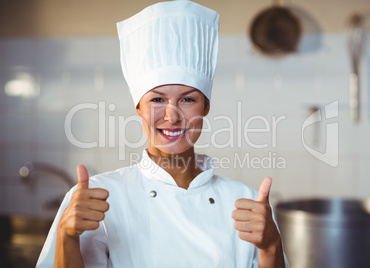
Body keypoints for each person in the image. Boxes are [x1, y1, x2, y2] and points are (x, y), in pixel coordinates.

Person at [37, 1, 289, 267]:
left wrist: (272, 248)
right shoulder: (97, 197)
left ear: (206, 107)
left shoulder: (245, 201)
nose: (172, 116)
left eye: (188, 100)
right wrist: (66, 237)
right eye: (157, 100)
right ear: (139, 108)